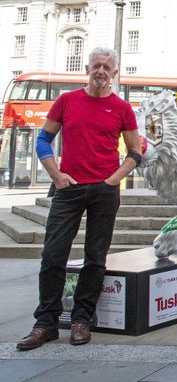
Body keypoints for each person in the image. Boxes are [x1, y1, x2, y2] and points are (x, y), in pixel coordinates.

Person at [17, 47, 140, 351]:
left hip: (104, 190)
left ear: (114, 73)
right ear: (87, 69)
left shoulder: (122, 108)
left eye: (106, 67)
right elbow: (44, 140)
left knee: (95, 258)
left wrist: (114, 178)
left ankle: (81, 320)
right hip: (68, 188)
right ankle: (45, 323)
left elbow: (135, 152)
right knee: (53, 255)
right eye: (96, 66)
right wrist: (55, 175)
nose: (101, 71)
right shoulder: (67, 101)